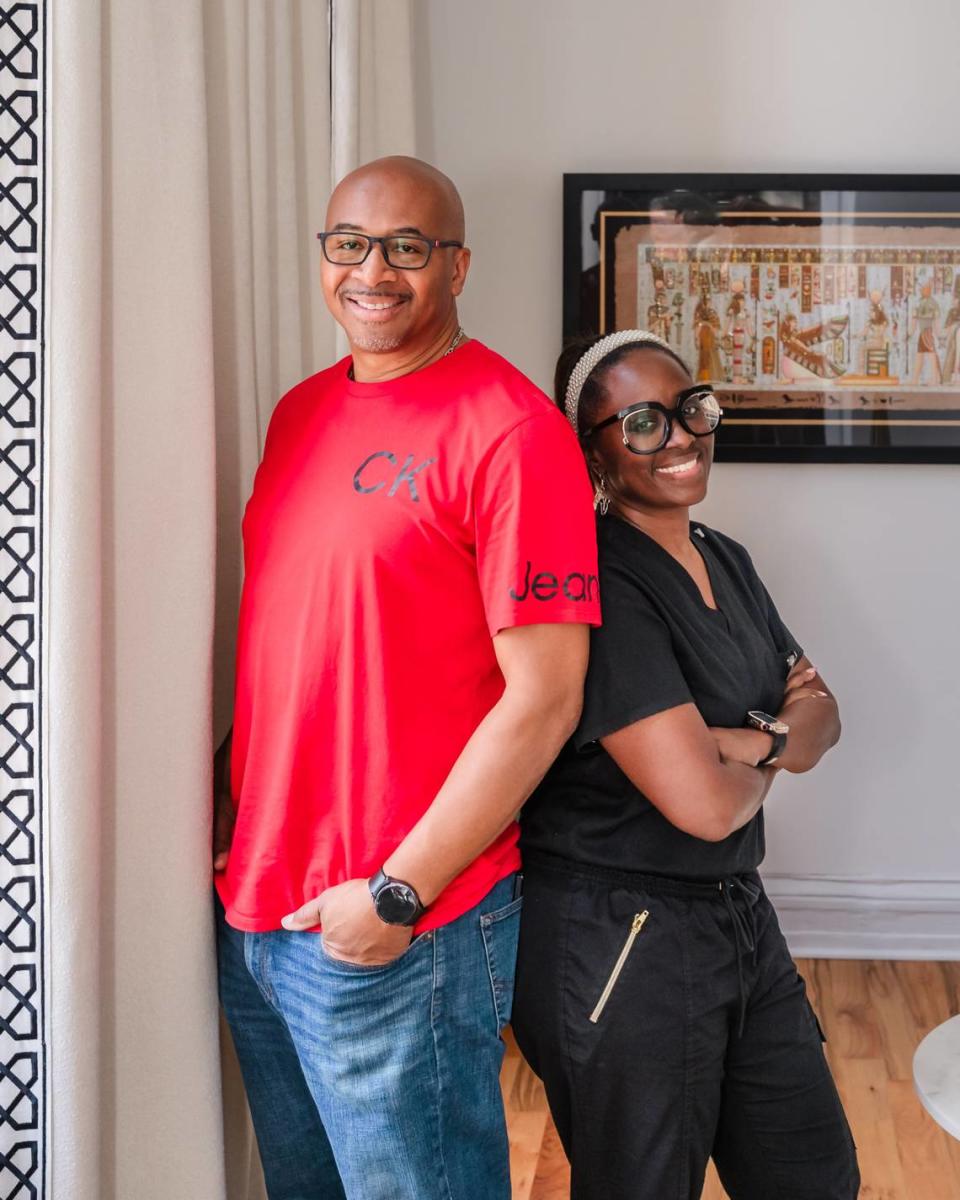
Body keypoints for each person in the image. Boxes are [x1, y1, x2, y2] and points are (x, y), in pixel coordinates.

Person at [212, 156, 600, 1200]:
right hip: (260, 908)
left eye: (407, 247)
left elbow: (547, 697)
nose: (372, 271)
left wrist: (396, 892)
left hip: (401, 924)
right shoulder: (299, 414)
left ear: (457, 265)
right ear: (322, 257)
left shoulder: (514, 433)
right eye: (350, 243)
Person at [512, 329, 860, 1200]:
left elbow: (825, 714)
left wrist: (757, 741)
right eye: (639, 423)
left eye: (688, 409)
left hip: (739, 914)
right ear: (590, 448)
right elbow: (702, 806)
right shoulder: (596, 581)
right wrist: (777, 736)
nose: (677, 438)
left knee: (814, 1177)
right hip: (621, 932)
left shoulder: (725, 557)